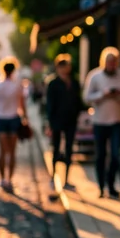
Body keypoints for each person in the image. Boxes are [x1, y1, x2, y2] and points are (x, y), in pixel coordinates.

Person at [84, 47, 120, 198]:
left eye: (114, 62)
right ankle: (100, 186)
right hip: (100, 121)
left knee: (115, 154)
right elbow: (86, 98)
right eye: (109, 62)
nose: (111, 64)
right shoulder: (95, 76)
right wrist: (102, 94)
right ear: (104, 61)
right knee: (101, 155)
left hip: (118, 120)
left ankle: (111, 185)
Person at [0, 57, 28, 193]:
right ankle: (9, 179)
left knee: (2, 151)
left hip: (0, 119)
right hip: (14, 118)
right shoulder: (18, 85)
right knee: (12, 152)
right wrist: (26, 119)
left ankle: (2, 179)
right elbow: (22, 104)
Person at [45, 53, 83, 190]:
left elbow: (78, 101)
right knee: (55, 148)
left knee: (69, 149)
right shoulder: (53, 83)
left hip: (71, 120)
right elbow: (50, 104)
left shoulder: (74, 82)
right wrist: (49, 122)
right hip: (57, 120)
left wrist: (78, 113)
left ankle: (66, 179)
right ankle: (53, 177)